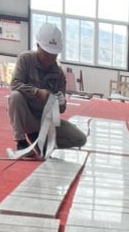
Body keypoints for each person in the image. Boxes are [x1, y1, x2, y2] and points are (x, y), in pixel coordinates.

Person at [8, 23, 86, 157]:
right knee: (15, 96)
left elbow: (61, 109)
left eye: (53, 54)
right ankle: (21, 142)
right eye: (46, 53)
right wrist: (37, 92)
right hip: (27, 116)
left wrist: (60, 103)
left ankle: (41, 141)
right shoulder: (25, 60)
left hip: (45, 121)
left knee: (79, 139)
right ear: (38, 46)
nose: (50, 58)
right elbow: (14, 84)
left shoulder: (59, 74)